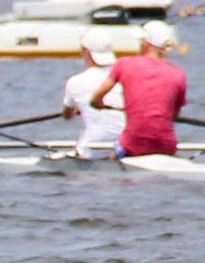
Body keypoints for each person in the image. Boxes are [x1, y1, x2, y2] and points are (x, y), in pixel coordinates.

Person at [90, 21, 186, 157]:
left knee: (114, 152)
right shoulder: (179, 74)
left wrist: (99, 105)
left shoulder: (124, 64)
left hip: (133, 144)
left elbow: (96, 97)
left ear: (146, 43)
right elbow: (173, 115)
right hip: (167, 145)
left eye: (141, 41)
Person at [61, 28, 124, 159]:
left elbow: (67, 115)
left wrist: (77, 109)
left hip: (94, 149)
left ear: (86, 52)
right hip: (126, 146)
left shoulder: (75, 82)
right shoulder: (127, 76)